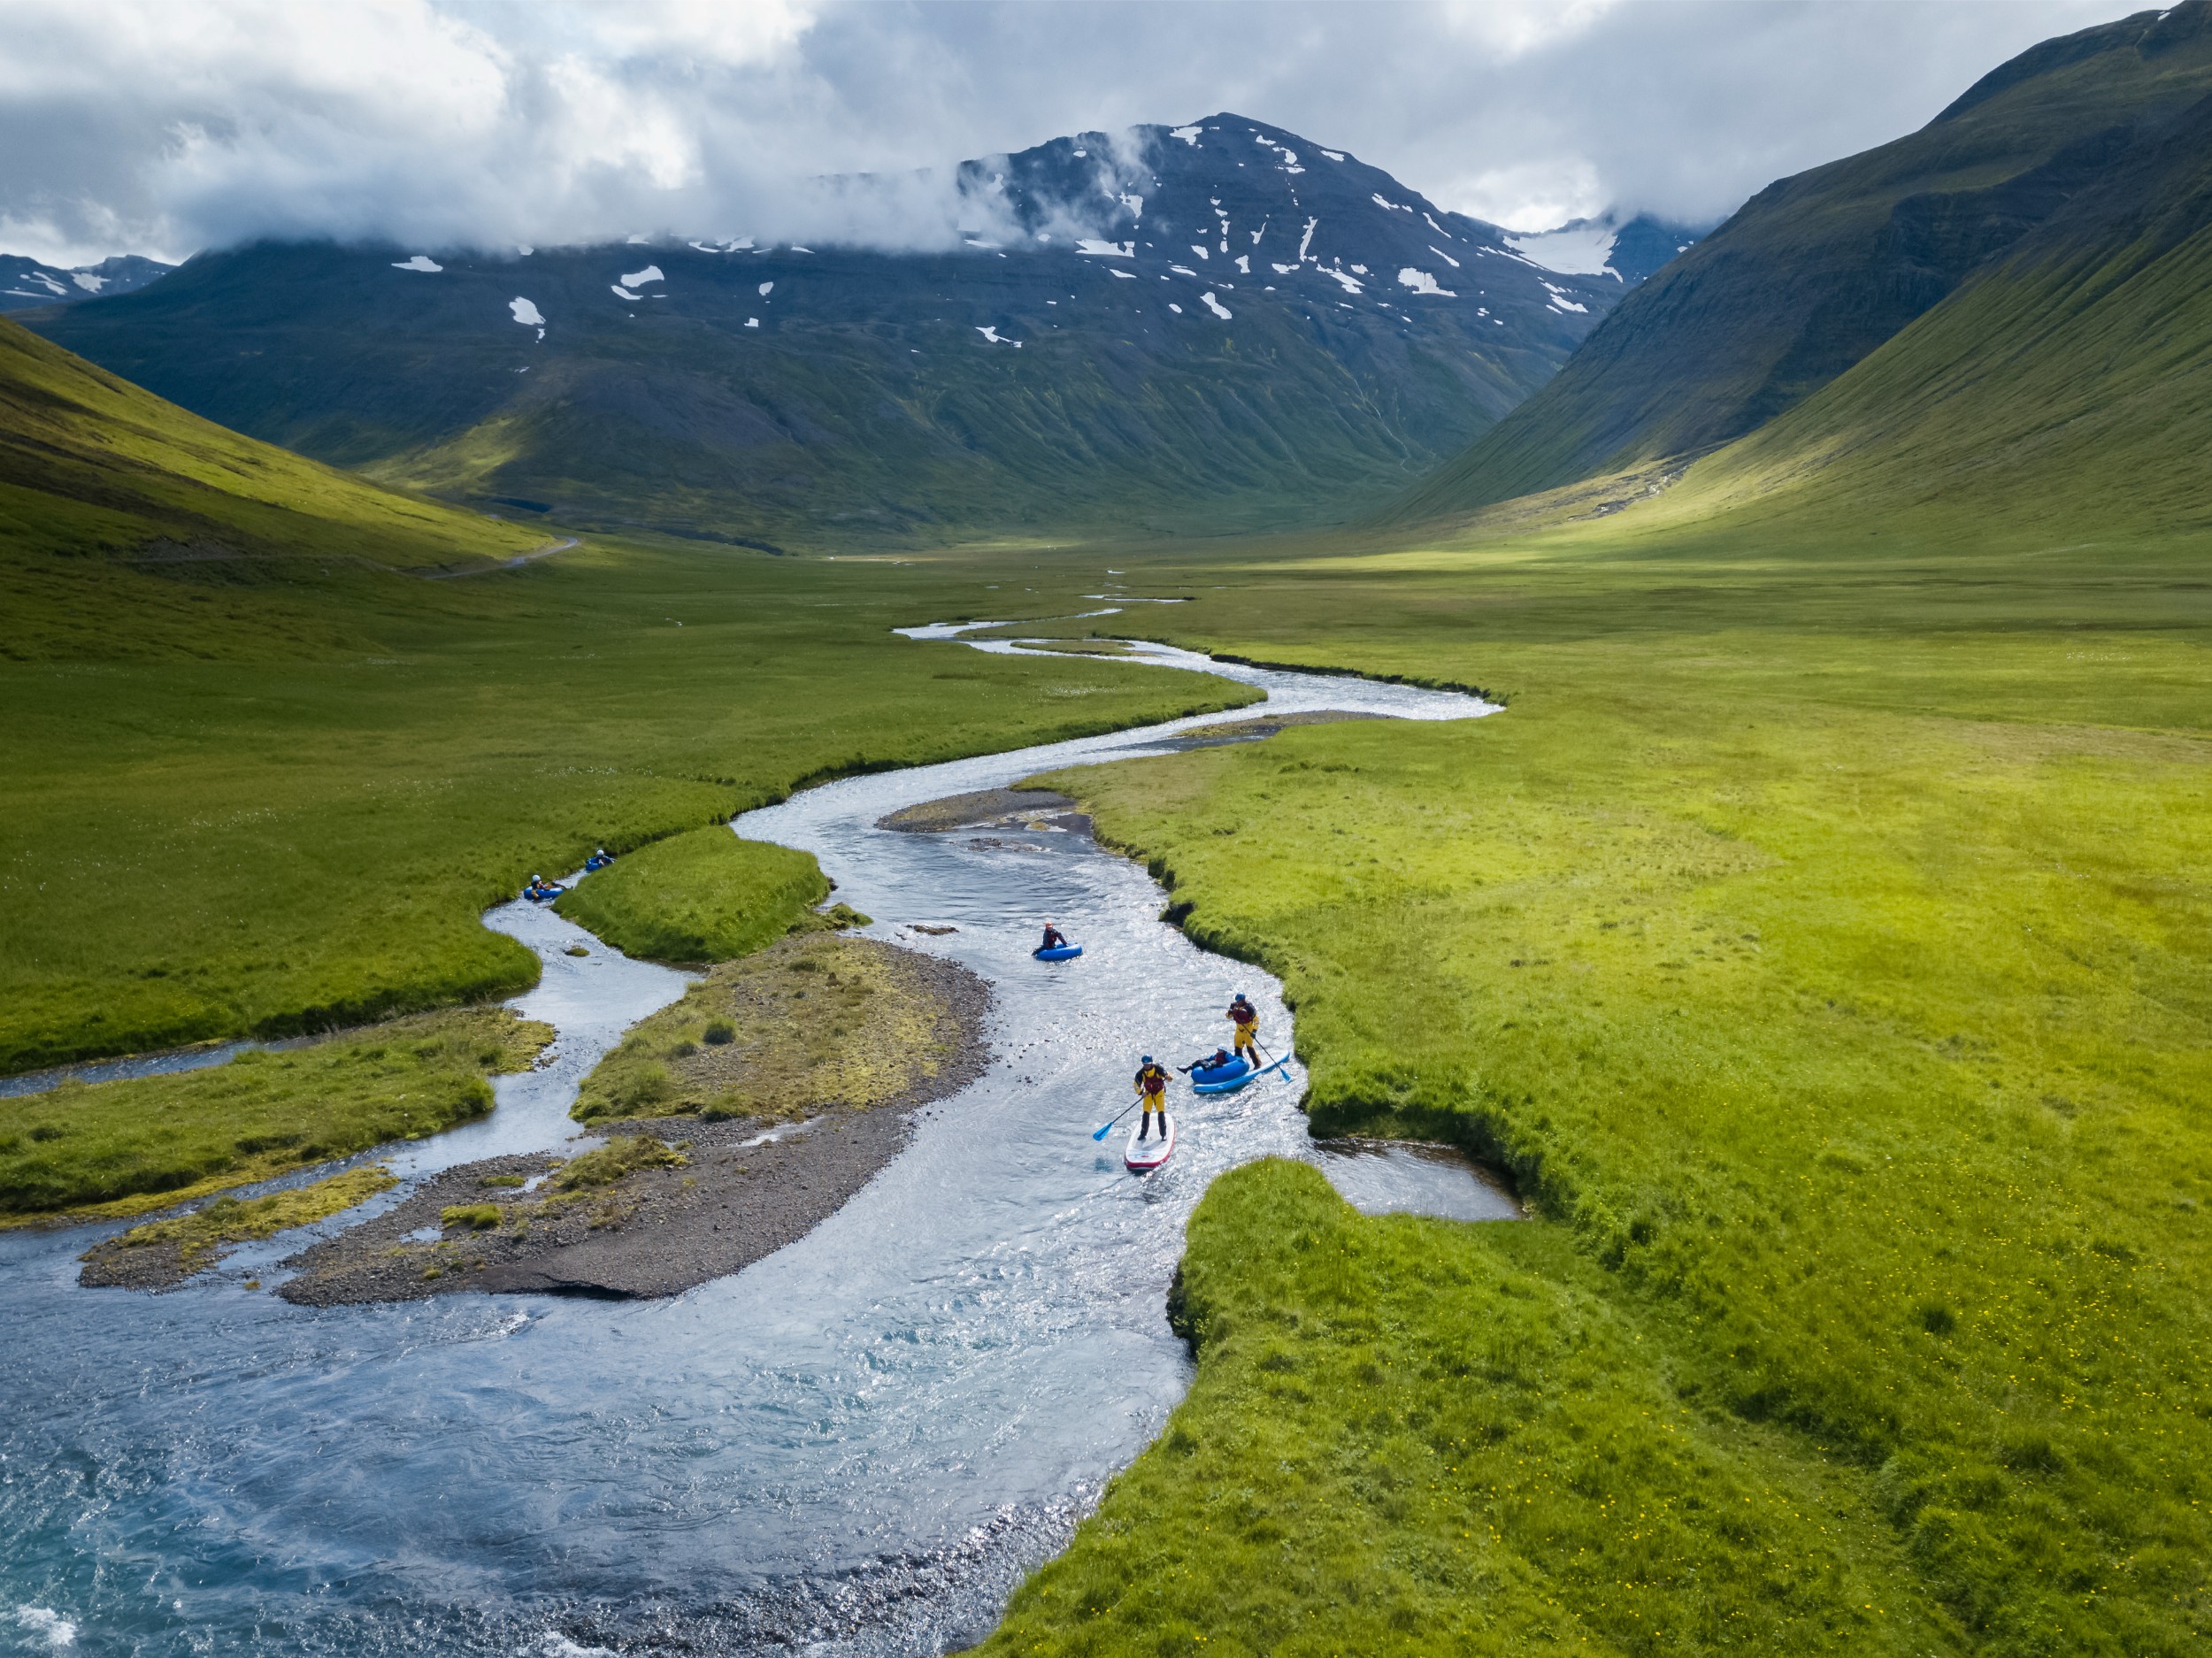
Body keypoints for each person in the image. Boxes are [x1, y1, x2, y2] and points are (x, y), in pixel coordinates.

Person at [1133, 1054, 1170, 1141]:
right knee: (1146, 1114)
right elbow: (1136, 1086)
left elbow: (1166, 1074)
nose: (1146, 1066)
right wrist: (1141, 1093)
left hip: (1159, 1093)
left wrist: (1169, 1077)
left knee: (1161, 1113)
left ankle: (1163, 1135)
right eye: (1145, 1065)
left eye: (1148, 1064)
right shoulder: (1140, 1073)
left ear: (1151, 1063)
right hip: (1148, 1094)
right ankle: (1143, 1134)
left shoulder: (1158, 1069)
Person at [1227, 993, 1260, 1065]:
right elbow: (1228, 1017)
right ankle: (1241, 1065)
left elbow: (1256, 1020)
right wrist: (1229, 1012)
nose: (1237, 1002)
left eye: (1239, 1001)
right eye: (1237, 1001)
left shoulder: (1249, 1008)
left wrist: (1254, 1031)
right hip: (1239, 1029)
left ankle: (1257, 1063)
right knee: (1237, 1048)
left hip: (1248, 1029)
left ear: (1243, 1000)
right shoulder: (1234, 1005)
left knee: (1250, 1048)